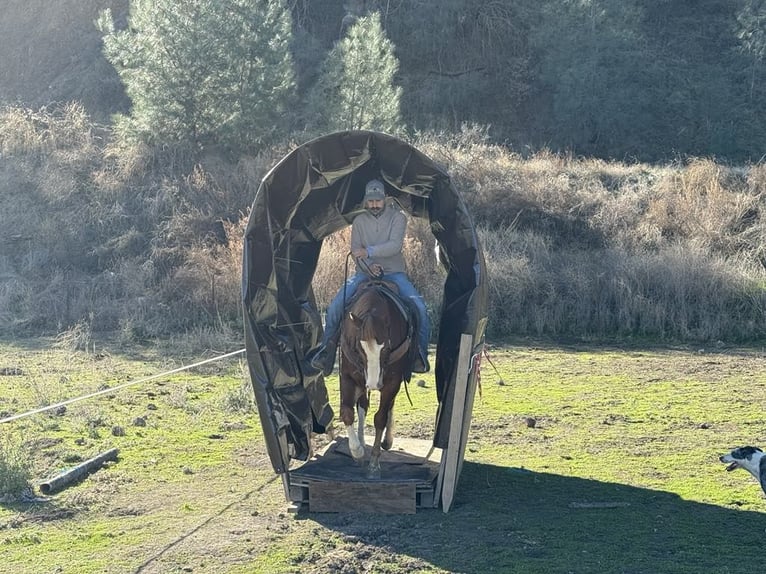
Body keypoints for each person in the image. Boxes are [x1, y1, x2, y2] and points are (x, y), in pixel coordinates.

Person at [308, 178, 431, 376]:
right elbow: (355, 252)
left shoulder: (398, 218)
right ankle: (326, 352)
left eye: (378, 200)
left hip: (394, 274)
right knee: (334, 308)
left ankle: (419, 354)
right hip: (364, 274)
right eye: (371, 201)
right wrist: (368, 265)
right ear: (366, 201)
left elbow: (395, 246)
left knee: (420, 308)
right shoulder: (359, 221)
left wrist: (369, 252)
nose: (374, 204)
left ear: (384, 199)